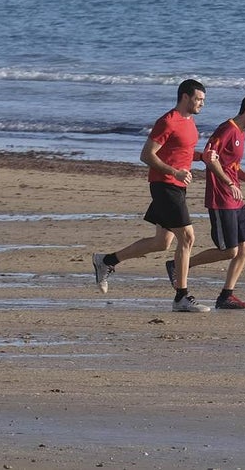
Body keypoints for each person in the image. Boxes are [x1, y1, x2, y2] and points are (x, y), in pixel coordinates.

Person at [92, 79, 211, 313]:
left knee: (162, 242)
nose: (201, 104)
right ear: (185, 97)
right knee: (187, 237)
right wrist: (174, 171)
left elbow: (180, 151)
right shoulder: (167, 121)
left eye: (204, 101)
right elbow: (146, 155)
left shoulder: (190, 121)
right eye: (198, 99)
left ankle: (106, 261)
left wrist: (201, 157)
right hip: (164, 184)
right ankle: (181, 297)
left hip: (177, 186)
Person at [166, 93, 245, 310]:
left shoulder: (241, 134)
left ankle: (226, 296)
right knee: (229, 250)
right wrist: (228, 184)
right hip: (221, 199)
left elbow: (233, 167)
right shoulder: (227, 129)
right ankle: (178, 265)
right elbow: (209, 157)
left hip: (235, 198)